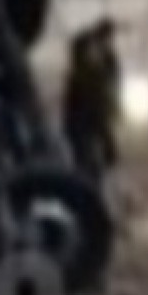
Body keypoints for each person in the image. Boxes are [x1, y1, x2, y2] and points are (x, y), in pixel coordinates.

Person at [62, 17, 122, 180]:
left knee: (94, 161)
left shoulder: (106, 63)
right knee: (87, 162)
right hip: (83, 123)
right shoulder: (84, 75)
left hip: (89, 122)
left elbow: (113, 86)